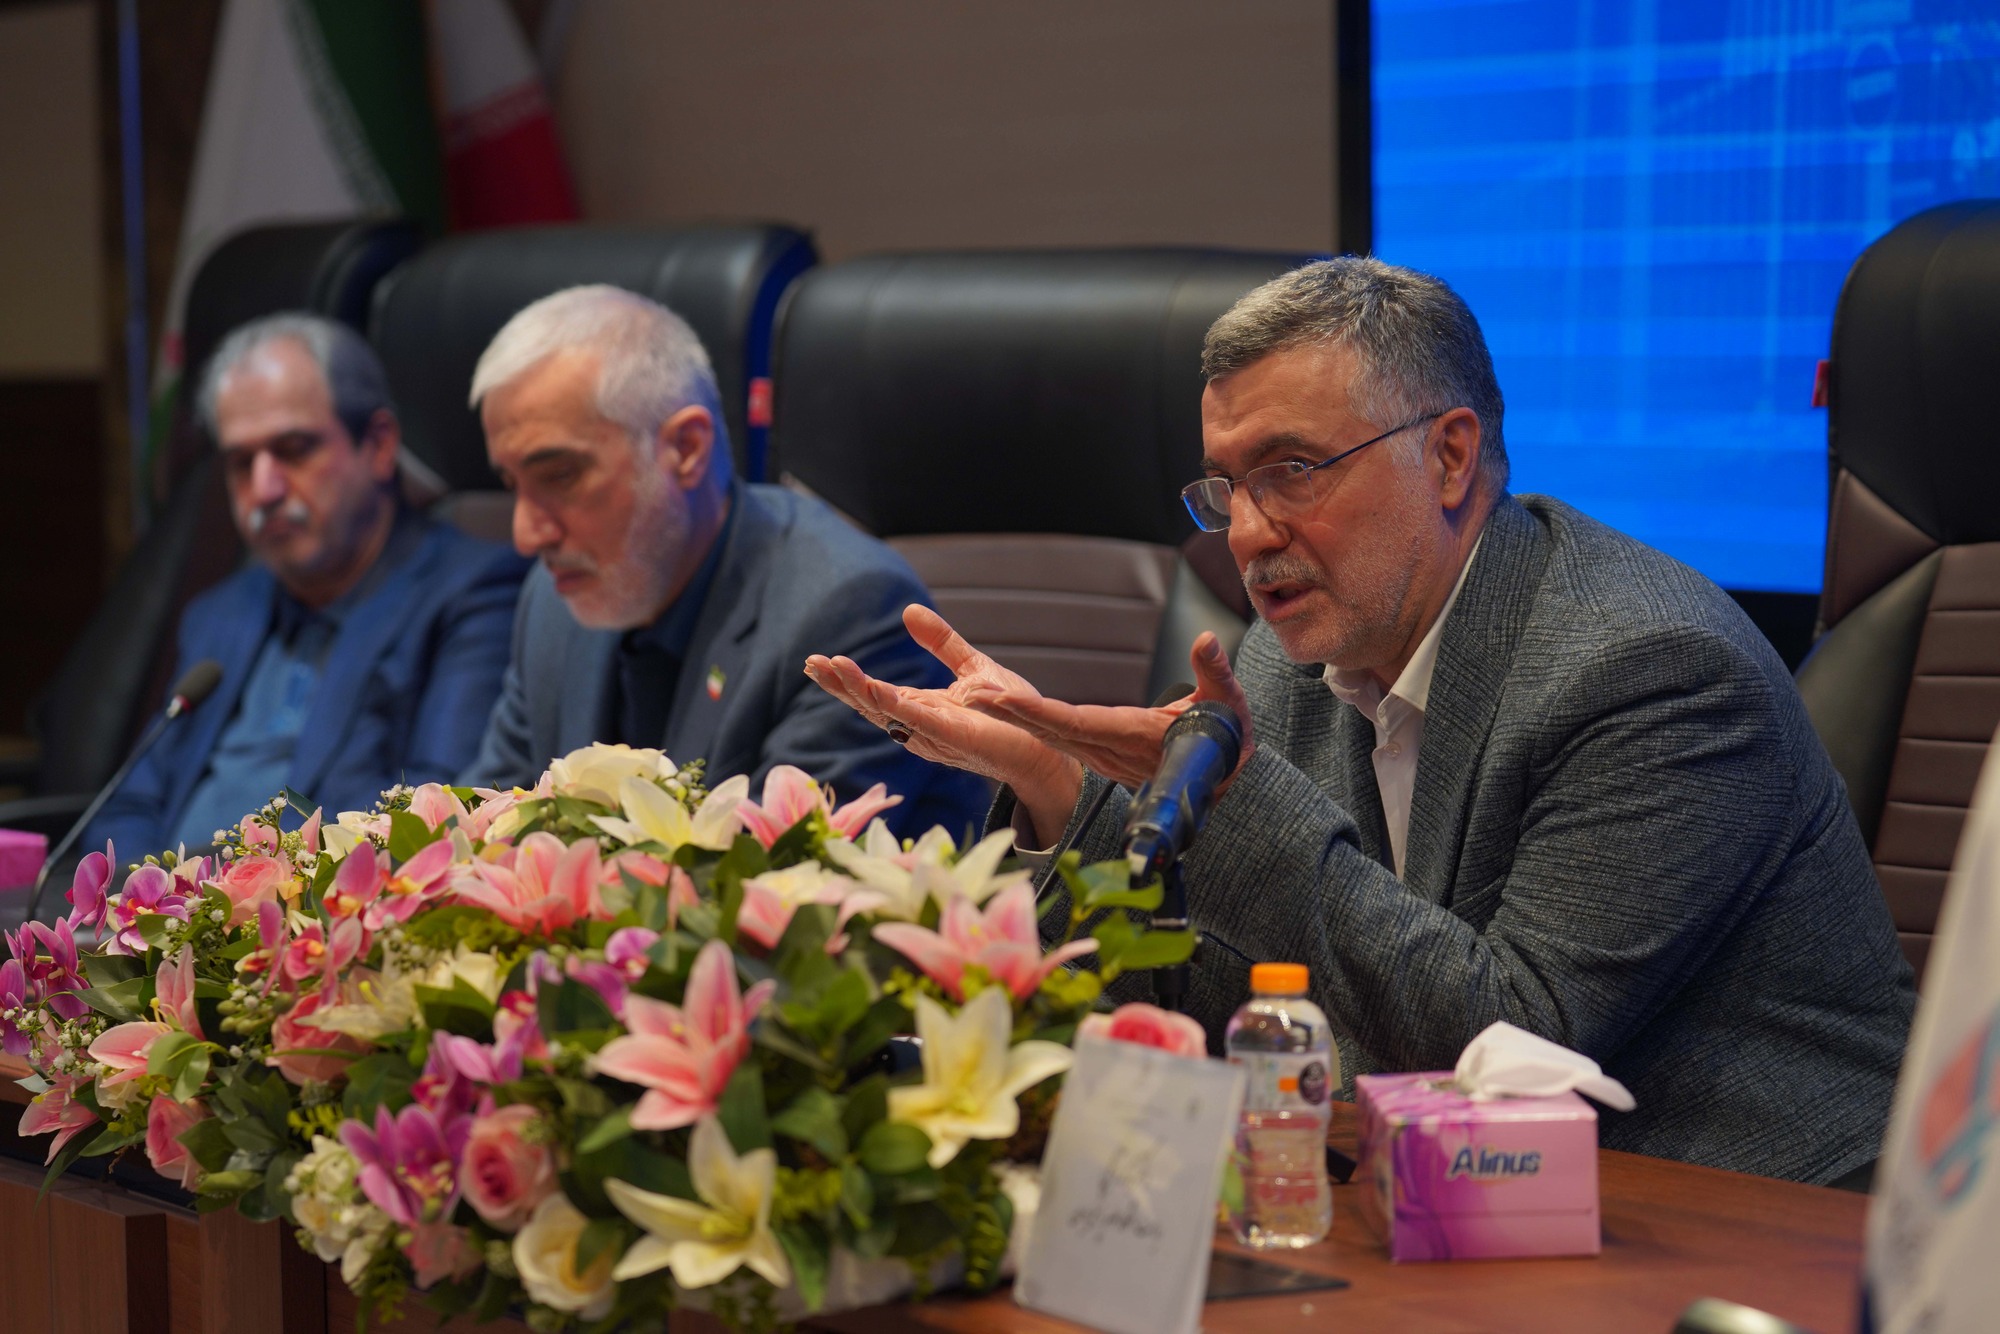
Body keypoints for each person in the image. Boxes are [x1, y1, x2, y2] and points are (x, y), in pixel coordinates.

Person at [806, 257, 1917, 1184]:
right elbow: (1213, 992)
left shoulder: (1650, 670)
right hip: (1450, 1213)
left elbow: (1508, 1050)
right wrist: (1054, 781)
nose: (1247, 533)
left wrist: (1242, 802)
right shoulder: (1292, 655)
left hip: (1752, 1225)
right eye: (1226, 486)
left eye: (1291, 470)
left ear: (1448, 454)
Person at [460, 285, 987, 838]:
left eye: (559, 476)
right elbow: (482, 825)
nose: (525, 535)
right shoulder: (551, 599)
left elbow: (777, 871)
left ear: (685, 449)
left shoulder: (848, 611)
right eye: (512, 484)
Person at [88, 314, 529, 859]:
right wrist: (146, 897)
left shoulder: (472, 594)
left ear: (379, 445)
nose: (264, 489)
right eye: (241, 463)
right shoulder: (220, 612)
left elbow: (435, 819)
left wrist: (228, 896)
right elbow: (129, 806)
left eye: (294, 449)